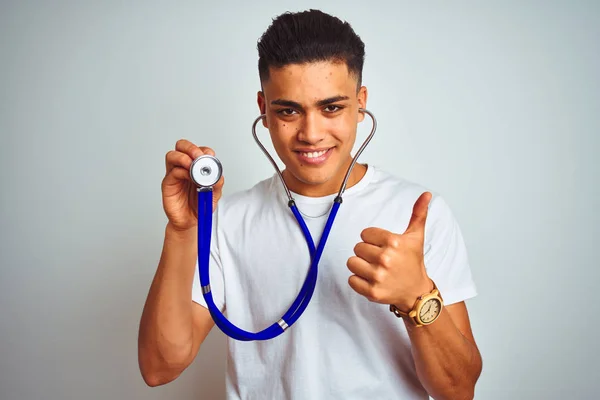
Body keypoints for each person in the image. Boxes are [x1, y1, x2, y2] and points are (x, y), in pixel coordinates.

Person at [138, 9, 482, 400]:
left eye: (331, 107)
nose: (311, 133)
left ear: (360, 102)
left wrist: (417, 297)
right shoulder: (226, 221)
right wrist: (183, 231)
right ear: (263, 109)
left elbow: (459, 390)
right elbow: (159, 367)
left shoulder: (418, 214)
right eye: (288, 110)